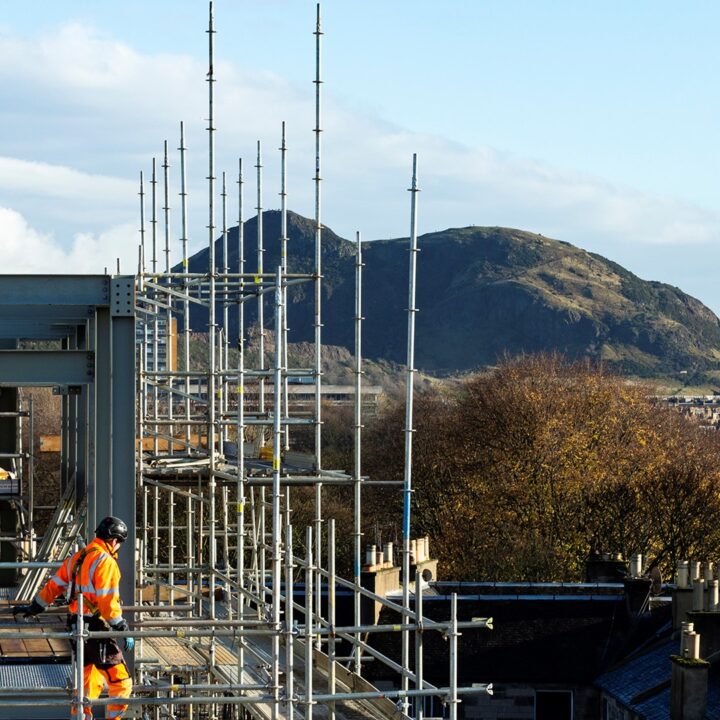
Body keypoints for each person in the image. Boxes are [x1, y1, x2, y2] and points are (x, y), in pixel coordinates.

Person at [14, 516, 134, 720]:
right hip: (96, 628)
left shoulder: (79, 556)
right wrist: (120, 625)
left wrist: (36, 606)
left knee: (87, 678)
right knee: (121, 682)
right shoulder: (106, 561)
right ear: (114, 540)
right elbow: (107, 599)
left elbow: (55, 584)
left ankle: (81, 717)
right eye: (119, 543)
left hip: (76, 625)